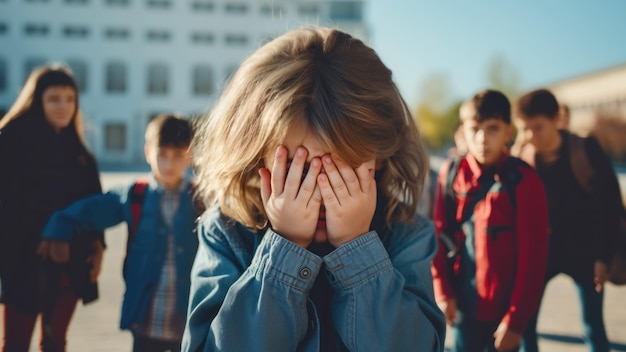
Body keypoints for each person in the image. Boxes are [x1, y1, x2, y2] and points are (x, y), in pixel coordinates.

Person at [182, 27, 446, 352]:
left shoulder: (407, 236)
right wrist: (286, 249)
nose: (318, 192)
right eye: (297, 170)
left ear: (380, 157)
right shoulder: (226, 233)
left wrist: (357, 247)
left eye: (341, 170)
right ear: (255, 157)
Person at [39, 114, 200, 352]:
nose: (169, 164)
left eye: (177, 156)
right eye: (162, 155)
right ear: (148, 153)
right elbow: (89, 211)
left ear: (189, 156)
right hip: (146, 316)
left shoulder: (201, 198)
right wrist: (59, 229)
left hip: (187, 317)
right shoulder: (135, 194)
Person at [431, 89, 549, 352]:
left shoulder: (524, 180)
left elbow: (534, 258)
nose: (483, 138)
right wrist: (443, 291)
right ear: (463, 131)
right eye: (475, 129)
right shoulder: (450, 174)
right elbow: (437, 235)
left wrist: (517, 322)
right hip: (464, 304)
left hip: (507, 310)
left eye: (493, 128)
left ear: (509, 132)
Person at [0, 65, 105, 351]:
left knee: (55, 342)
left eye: (70, 99)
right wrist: (48, 237)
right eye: (54, 98)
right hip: (22, 265)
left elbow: (93, 205)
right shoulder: (10, 143)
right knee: (15, 345)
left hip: (69, 268)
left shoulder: (80, 153)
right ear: (38, 100)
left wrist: (98, 247)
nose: (64, 106)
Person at [512, 89, 622, 352]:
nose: (530, 136)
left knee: (592, 326)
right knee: (525, 324)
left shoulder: (584, 148)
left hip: (587, 254)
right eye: (524, 129)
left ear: (556, 119)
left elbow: (610, 204)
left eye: (537, 128)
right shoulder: (523, 157)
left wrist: (604, 257)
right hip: (544, 254)